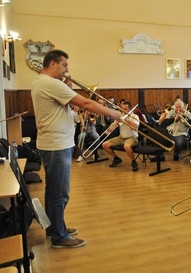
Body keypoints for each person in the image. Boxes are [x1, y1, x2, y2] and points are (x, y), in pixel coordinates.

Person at [31, 49, 121, 248]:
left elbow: (65, 107)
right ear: (52, 64)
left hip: (52, 143)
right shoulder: (50, 83)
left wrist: (64, 87)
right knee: (60, 192)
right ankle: (59, 237)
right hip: (57, 145)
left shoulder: (41, 82)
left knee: (53, 190)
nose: (67, 69)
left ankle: (54, 227)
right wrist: (114, 113)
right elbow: (86, 103)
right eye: (64, 65)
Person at [102, 101, 140, 171]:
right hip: (121, 137)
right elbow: (114, 124)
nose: (123, 111)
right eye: (122, 109)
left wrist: (126, 120)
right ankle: (116, 159)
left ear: (129, 109)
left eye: (125, 109)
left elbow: (135, 127)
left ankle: (134, 162)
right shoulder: (120, 116)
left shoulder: (134, 116)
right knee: (105, 144)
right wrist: (109, 130)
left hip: (132, 138)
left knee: (126, 146)